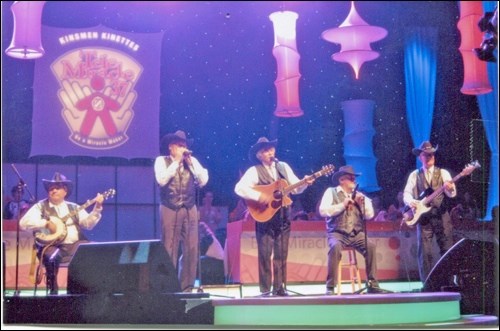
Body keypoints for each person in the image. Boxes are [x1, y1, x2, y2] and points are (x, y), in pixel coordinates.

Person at [234, 137, 315, 296]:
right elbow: (239, 188)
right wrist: (259, 197)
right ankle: (265, 290)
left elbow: (295, 188)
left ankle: (280, 288)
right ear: (259, 155)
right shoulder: (254, 171)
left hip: (283, 216)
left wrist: (305, 182)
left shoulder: (283, 167)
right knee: (265, 254)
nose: (270, 152)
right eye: (265, 150)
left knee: (281, 253)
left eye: (271, 149)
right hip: (265, 217)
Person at [19, 172, 104, 295]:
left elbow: (88, 224)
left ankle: (77, 291)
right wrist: (46, 223)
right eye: (51, 188)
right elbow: (23, 223)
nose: (53, 191)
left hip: (73, 245)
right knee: (52, 256)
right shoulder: (40, 206)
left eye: (57, 188)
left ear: (65, 191)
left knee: (92, 249)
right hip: (51, 246)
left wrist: (97, 207)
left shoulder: (73, 207)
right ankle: (53, 290)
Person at [154, 130, 209, 292]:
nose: (183, 149)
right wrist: (176, 162)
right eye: (180, 146)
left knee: (192, 247)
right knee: (169, 247)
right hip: (169, 207)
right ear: (171, 147)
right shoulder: (161, 161)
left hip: (190, 207)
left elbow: (203, 181)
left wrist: (192, 165)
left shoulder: (192, 162)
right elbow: (162, 180)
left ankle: (187, 287)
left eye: (185, 146)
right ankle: (168, 287)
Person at [319, 165, 387, 294]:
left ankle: (373, 284)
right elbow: (323, 211)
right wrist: (342, 205)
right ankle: (330, 287)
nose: (354, 180)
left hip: (356, 234)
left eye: (354, 178)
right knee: (335, 248)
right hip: (337, 233)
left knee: (371, 246)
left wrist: (361, 203)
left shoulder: (360, 196)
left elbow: (370, 215)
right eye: (350, 178)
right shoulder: (331, 192)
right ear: (341, 180)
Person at [403, 141, 457, 283]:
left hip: (441, 215)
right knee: (425, 253)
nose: (429, 157)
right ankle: (427, 283)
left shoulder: (443, 173)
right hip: (424, 218)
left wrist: (450, 188)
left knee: (447, 249)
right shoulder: (415, 175)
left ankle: (448, 282)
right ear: (420, 157)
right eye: (426, 155)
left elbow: (452, 194)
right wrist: (411, 202)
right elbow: (407, 193)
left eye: (431, 154)